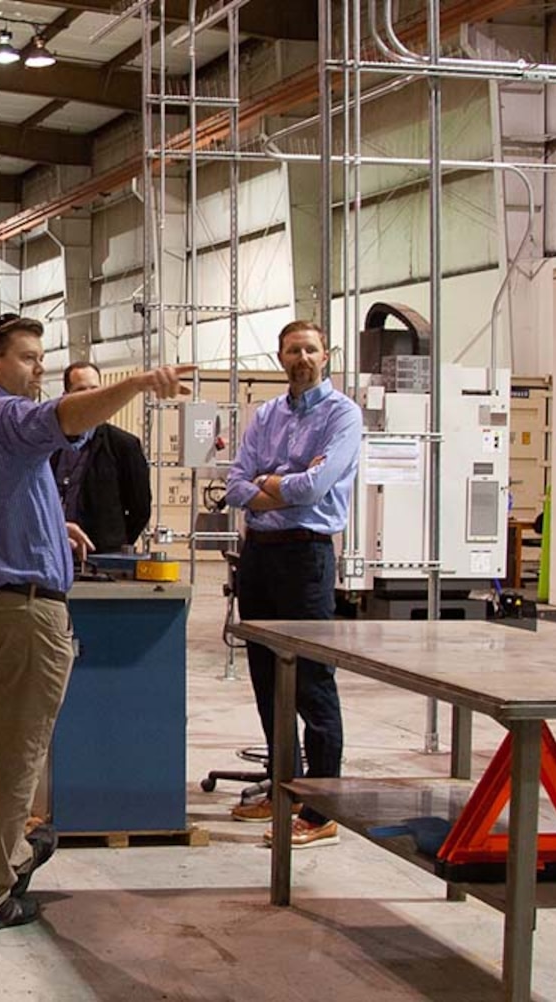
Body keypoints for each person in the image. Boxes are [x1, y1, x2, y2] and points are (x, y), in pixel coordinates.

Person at [0, 313, 188, 934]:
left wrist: (55, 524)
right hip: (22, 612)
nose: (39, 367)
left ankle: (14, 854)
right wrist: (136, 385)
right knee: (16, 760)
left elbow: (5, 498)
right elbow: (63, 418)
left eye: (40, 357)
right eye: (27, 357)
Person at [223, 319, 363, 850]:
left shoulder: (342, 415)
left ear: (326, 355)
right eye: (292, 350)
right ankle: (284, 790)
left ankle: (321, 805)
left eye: (311, 349)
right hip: (260, 556)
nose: (301, 357)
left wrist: (271, 484)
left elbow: (316, 487)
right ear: (280, 357)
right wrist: (275, 487)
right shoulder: (266, 414)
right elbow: (237, 485)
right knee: (267, 680)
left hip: (306, 558)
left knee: (309, 680)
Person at [53, 362, 153, 554]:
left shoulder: (123, 446)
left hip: (102, 555)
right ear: (66, 397)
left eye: (95, 389)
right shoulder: (51, 444)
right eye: (81, 390)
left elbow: (140, 509)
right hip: (56, 550)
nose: (91, 396)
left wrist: (114, 542)